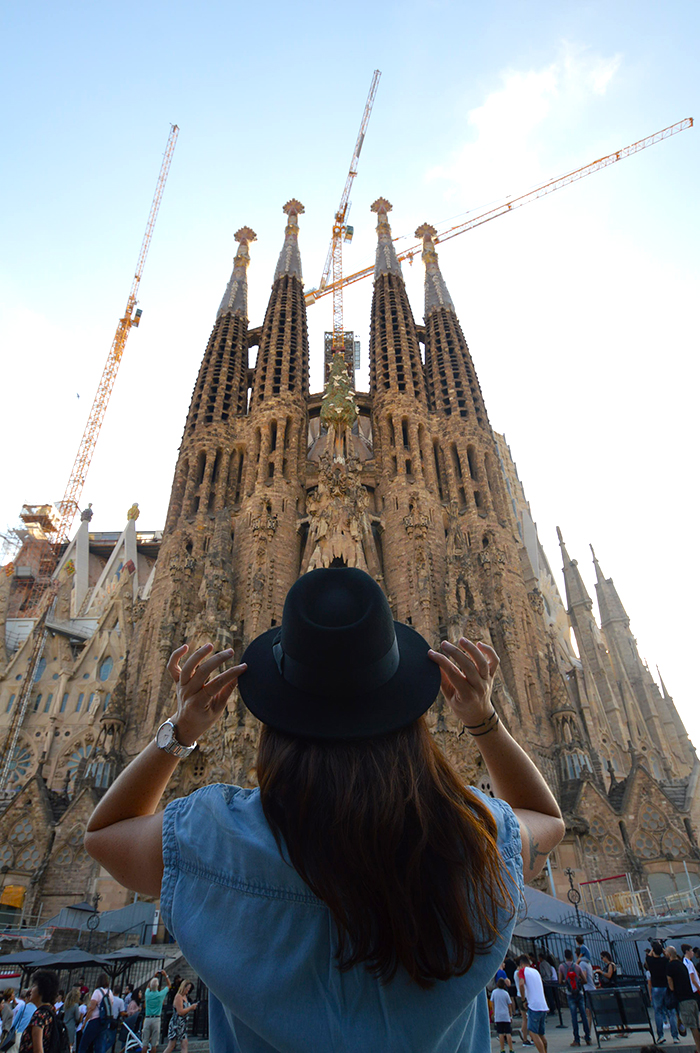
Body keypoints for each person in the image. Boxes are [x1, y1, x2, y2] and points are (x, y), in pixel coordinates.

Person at [83, 567, 566, 1052]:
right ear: (406, 716)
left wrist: (181, 729)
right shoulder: (468, 838)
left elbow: (106, 833)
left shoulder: (219, 837)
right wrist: (484, 722)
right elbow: (546, 819)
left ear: (276, 721)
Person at [18, 971, 60, 1053]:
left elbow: (38, 1049)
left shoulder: (40, 1015)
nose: (30, 990)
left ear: (41, 990)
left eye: (34, 986)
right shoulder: (50, 1013)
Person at [646, 942, 679, 1045]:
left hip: (656, 988)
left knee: (658, 1012)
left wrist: (653, 948)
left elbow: (649, 956)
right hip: (666, 987)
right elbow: (667, 956)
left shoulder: (650, 961)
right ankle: (675, 1036)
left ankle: (660, 1036)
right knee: (671, 1012)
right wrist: (662, 950)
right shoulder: (665, 961)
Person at [667, 947, 698, 1050]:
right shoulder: (682, 964)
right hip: (691, 997)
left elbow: (670, 984)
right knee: (696, 1025)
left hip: (683, 1000)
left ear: (669, 954)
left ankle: (699, 1049)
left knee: (693, 1027)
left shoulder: (670, 966)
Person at [558, 949, 591, 1047]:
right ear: (572, 956)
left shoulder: (561, 967)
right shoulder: (577, 967)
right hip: (579, 993)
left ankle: (576, 1039)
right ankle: (588, 1038)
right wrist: (577, 983)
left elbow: (560, 981)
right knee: (583, 1015)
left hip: (570, 993)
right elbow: (585, 980)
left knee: (574, 1017)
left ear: (565, 957)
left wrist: (567, 983)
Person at [78, 973, 115, 1053]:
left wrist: (85, 1022)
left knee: (83, 1045)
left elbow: (91, 1008)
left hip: (95, 1020)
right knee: (100, 1046)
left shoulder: (97, 992)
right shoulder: (110, 992)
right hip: (104, 1021)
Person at [162, 984, 196, 1053]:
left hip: (183, 1023)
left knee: (183, 1044)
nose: (188, 990)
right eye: (187, 988)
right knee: (172, 1045)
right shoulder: (178, 997)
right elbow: (180, 1012)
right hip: (177, 1023)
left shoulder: (185, 996)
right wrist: (190, 1008)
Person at [141, 973, 171, 1053]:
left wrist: (154, 976)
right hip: (156, 1018)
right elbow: (169, 985)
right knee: (154, 1044)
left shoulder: (147, 994)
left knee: (145, 1043)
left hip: (147, 1018)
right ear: (157, 986)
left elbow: (147, 987)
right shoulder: (160, 994)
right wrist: (165, 975)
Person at [492, 978, 514, 1052]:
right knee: (508, 1033)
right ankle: (511, 1049)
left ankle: (502, 1049)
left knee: (500, 1033)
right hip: (505, 1015)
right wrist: (510, 1015)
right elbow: (509, 1005)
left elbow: (492, 1003)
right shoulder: (506, 993)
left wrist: (494, 1013)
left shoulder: (494, 992)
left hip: (498, 1015)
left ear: (497, 984)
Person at [576, 950, 595, 1033]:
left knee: (588, 1012)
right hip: (591, 988)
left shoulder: (582, 964)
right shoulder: (588, 963)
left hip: (588, 990)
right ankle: (589, 1032)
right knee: (590, 1012)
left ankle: (588, 1032)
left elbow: (584, 976)